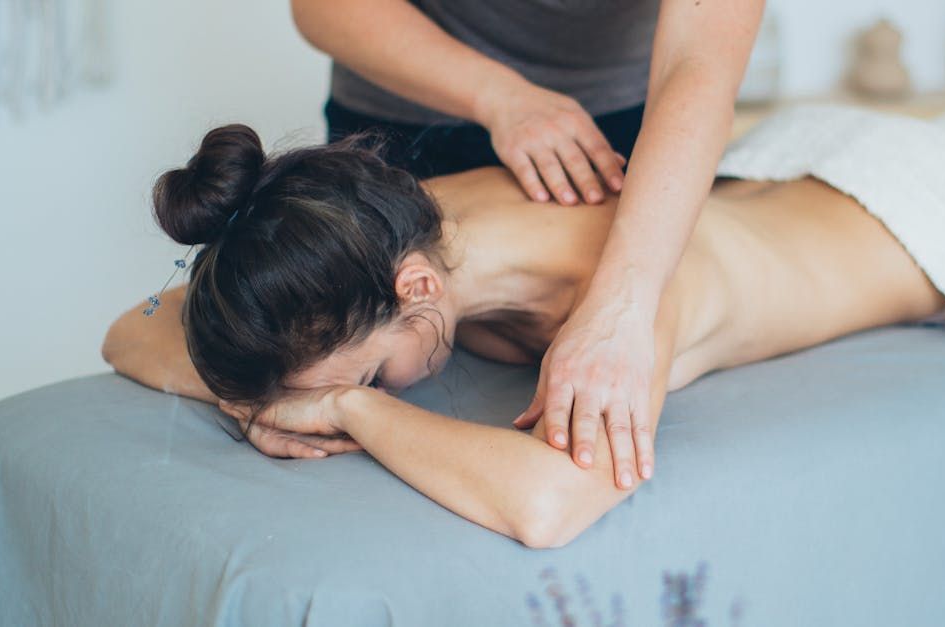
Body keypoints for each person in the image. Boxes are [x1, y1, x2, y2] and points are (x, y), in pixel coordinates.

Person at [102, 123, 945, 547]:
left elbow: (550, 505)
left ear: (419, 291)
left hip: (928, 231)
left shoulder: (623, 294)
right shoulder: (405, 227)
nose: (352, 391)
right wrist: (262, 400)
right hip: (783, 162)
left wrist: (348, 413)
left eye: (363, 374)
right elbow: (127, 334)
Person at [291, 0, 766, 487]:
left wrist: (621, 310)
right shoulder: (401, 256)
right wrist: (499, 96)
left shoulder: (596, 258)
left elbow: (698, 65)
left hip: (604, 136)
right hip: (402, 99)